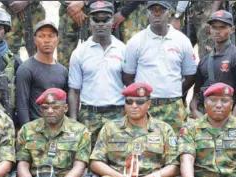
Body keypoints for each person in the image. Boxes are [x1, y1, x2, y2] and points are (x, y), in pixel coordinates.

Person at [85, 82, 179, 177]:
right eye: (129, 101)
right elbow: (95, 162)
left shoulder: (163, 129)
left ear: (148, 104)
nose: (134, 106)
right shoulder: (111, 128)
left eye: (140, 102)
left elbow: (174, 165)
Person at [10, 88, 90, 177]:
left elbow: (79, 166)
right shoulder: (28, 130)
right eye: (45, 107)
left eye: (55, 107)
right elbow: (22, 164)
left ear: (65, 108)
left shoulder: (80, 131)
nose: (50, 111)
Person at [123, 1, 196, 132]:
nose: (157, 14)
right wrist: (141, 96)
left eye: (161, 10)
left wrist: (174, 92)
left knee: (176, 147)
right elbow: (128, 77)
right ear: (147, 13)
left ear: (170, 12)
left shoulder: (182, 40)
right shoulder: (136, 41)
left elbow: (190, 76)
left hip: (173, 107)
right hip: (145, 105)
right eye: (152, 10)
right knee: (144, 148)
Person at [68, 1, 126, 146]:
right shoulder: (79, 52)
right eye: (96, 19)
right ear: (89, 21)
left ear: (113, 21)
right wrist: (74, 122)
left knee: (116, 160)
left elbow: (130, 85)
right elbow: (74, 91)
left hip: (117, 115)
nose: (100, 24)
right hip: (89, 116)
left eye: (105, 19)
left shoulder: (123, 50)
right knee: (86, 161)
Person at [190, 10, 236, 119]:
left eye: (222, 27)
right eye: (214, 27)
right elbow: (195, 96)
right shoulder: (204, 61)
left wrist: (231, 125)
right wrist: (197, 115)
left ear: (232, 30)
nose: (217, 31)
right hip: (205, 119)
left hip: (229, 119)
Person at [15, 20, 68, 128]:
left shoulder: (63, 71)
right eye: (42, 36)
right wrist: (28, 133)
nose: (47, 40)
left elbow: (65, 104)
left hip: (59, 129)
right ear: (34, 40)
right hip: (36, 129)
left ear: (57, 40)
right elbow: (22, 105)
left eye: (51, 36)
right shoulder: (26, 69)